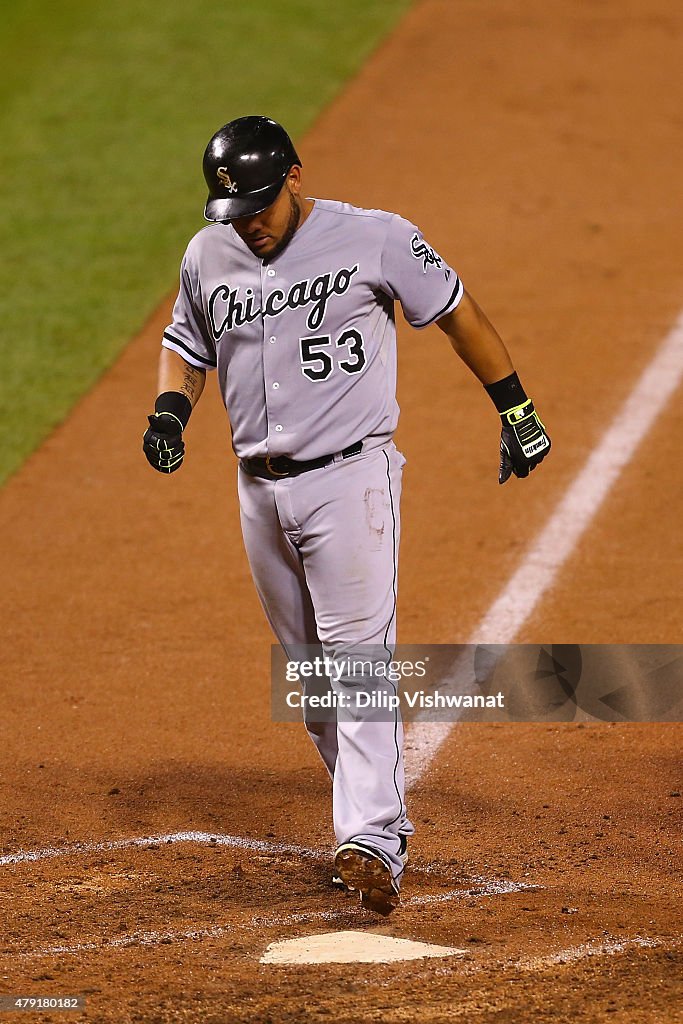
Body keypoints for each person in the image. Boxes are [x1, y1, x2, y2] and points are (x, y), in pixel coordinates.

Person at [142, 115, 551, 916]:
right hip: (256, 491)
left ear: (295, 175)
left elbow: (458, 310)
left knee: (357, 660)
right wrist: (167, 413)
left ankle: (372, 837)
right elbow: (186, 347)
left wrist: (516, 408)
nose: (251, 224)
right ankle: (366, 819)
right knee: (312, 679)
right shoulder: (207, 255)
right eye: (236, 212)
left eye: (260, 204)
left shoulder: (376, 238)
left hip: (349, 480)